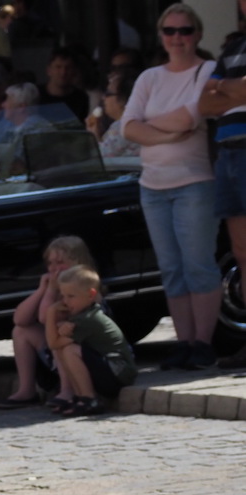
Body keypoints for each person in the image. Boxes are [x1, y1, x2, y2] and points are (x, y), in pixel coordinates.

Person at [122, 3, 221, 370]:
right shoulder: (149, 77)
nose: (177, 38)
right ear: (161, 35)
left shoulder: (207, 71)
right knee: (171, 269)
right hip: (152, 186)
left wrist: (151, 127)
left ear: (197, 34)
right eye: (170, 31)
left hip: (194, 182)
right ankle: (183, 342)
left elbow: (190, 116)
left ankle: (203, 343)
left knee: (198, 265)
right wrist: (169, 133)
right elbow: (128, 128)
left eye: (185, 31)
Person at [0, 235, 98, 407]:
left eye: (60, 263)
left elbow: (45, 318)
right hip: (59, 358)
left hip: (85, 356)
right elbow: (20, 319)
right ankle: (27, 390)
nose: (54, 268)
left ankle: (68, 390)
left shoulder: (82, 289)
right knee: (21, 331)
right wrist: (42, 289)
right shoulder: (54, 286)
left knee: (57, 330)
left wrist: (51, 290)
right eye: (50, 263)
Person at [201, 0, 246, 369]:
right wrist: (233, 89)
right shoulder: (234, 47)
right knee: (241, 252)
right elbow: (204, 103)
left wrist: (223, 88)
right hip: (228, 154)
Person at [45, 265, 136, 416]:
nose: (65, 301)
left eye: (71, 296)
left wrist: (51, 312)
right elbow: (57, 344)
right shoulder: (84, 313)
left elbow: (53, 343)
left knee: (70, 349)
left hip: (118, 375)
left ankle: (89, 399)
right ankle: (79, 395)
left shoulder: (87, 319)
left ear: (91, 294)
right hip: (111, 372)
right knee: (64, 349)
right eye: (63, 296)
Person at [92, 69, 142, 160]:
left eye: (108, 93)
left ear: (122, 99)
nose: (103, 98)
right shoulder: (138, 122)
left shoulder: (122, 126)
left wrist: (93, 134)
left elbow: (99, 157)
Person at [41, 48, 95, 125]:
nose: (63, 72)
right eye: (58, 67)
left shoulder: (81, 98)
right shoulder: (36, 95)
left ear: (74, 71)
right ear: (49, 70)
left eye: (68, 67)